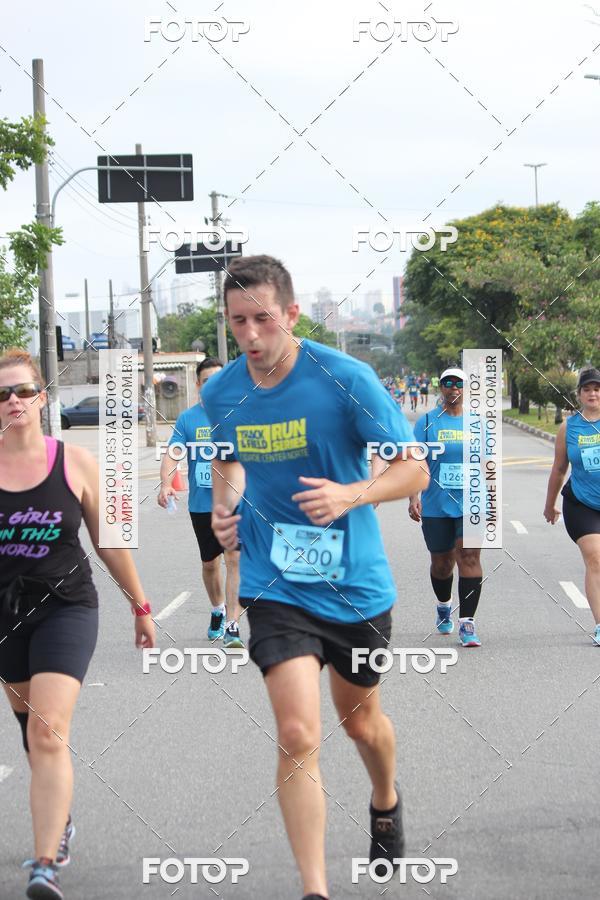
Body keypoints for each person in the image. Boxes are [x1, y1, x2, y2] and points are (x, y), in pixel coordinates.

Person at [202, 255, 429, 900]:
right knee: (298, 731)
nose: (251, 335)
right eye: (238, 321)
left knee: (360, 722)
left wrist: (350, 495)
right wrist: (228, 514)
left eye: (264, 319)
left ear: (292, 314)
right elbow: (231, 465)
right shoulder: (222, 392)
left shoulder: (345, 377)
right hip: (275, 586)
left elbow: (414, 472)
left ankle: (385, 799)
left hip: (354, 586)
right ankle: (315, 889)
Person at [0, 348, 156, 900]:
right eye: (3, 395)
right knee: (27, 726)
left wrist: (140, 606)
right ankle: (60, 818)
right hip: (4, 614)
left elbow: (109, 541)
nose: (13, 402)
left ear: (43, 398)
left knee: (46, 728)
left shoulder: (78, 462)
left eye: (23, 391)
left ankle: (45, 863)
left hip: (67, 604)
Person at [158, 358, 243, 648]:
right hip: (202, 504)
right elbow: (172, 454)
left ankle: (232, 624)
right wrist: (167, 483)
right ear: (198, 385)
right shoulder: (188, 419)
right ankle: (218, 610)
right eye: (207, 381)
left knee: (234, 559)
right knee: (210, 564)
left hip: (235, 502)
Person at [408, 367, 484, 647]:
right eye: (447, 384)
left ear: (466, 388)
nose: (453, 388)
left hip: (471, 502)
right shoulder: (427, 422)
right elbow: (417, 462)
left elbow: (488, 466)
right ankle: (443, 604)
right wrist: (413, 496)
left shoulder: (478, 423)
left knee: (469, 557)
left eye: (459, 384)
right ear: (440, 388)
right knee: (442, 565)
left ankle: (467, 624)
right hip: (436, 502)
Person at [544, 367, 600, 645]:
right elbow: (559, 468)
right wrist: (549, 504)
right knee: (595, 558)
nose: (593, 393)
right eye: (587, 389)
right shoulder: (569, 427)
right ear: (578, 394)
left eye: (597, 389)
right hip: (581, 503)